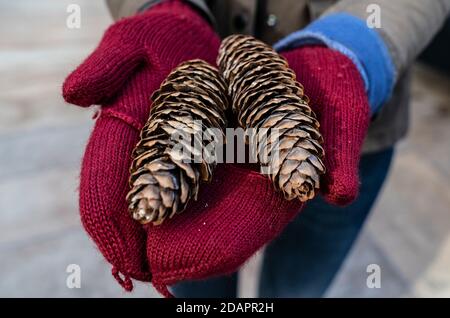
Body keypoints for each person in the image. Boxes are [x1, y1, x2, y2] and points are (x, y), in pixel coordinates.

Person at [62, 0, 450, 297]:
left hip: (342, 126)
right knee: (194, 280)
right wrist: (165, 7)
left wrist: (356, 44)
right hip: (217, 87)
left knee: (299, 287)